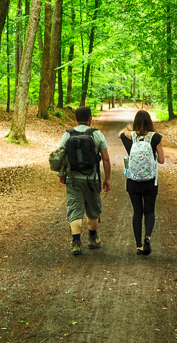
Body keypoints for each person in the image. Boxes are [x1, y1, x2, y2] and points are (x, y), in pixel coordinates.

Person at [58, 105, 111, 255]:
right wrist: (107, 178)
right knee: (92, 208)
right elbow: (106, 158)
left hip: (73, 178)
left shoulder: (68, 135)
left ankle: (76, 243)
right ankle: (93, 239)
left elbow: (60, 156)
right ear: (90, 119)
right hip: (92, 178)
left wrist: (62, 174)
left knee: (75, 209)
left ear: (75, 119)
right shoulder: (97, 134)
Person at [120, 110, 166, 255]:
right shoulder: (156, 137)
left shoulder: (129, 136)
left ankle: (139, 245)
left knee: (137, 212)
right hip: (150, 181)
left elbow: (120, 133)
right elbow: (161, 160)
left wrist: (130, 128)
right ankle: (148, 236)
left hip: (133, 181)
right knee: (150, 211)